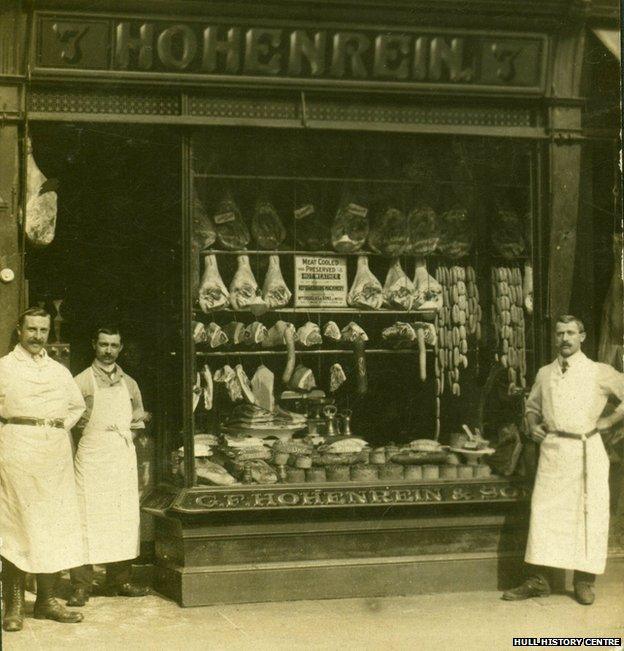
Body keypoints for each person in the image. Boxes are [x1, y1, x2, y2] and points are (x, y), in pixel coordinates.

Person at [503, 315, 624, 605]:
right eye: (560, 334)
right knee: (545, 513)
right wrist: (532, 424)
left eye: (571, 333)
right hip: (553, 449)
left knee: (587, 513)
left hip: (586, 450)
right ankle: (539, 580)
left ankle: (583, 581)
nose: (565, 339)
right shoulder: (545, 373)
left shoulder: (599, 371)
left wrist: (610, 420)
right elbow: (532, 407)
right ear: (555, 338)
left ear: (582, 336)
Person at [0, 308, 86, 632]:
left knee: (54, 525)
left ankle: (47, 601)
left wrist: (54, 428)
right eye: (31, 329)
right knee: (16, 527)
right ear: (19, 330)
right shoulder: (5, 368)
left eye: (43, 330)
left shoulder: (59, 371)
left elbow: (77, 406)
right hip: (17, 453)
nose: (37, 336)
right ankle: (14, 605)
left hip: (54, 454)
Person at [67, 326, 149, 606]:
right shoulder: (81, 382)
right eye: (103, 344)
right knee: (86, 517)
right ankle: (81, 585)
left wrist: (125, 438)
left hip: (121, 455)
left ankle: (120, 579)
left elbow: (138, 419)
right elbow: (71, 424)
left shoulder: (131, 383)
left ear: (121, 348)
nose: (108, 350)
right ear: (94, 345)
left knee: (122, 515)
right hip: (91, 455)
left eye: (114, 345)